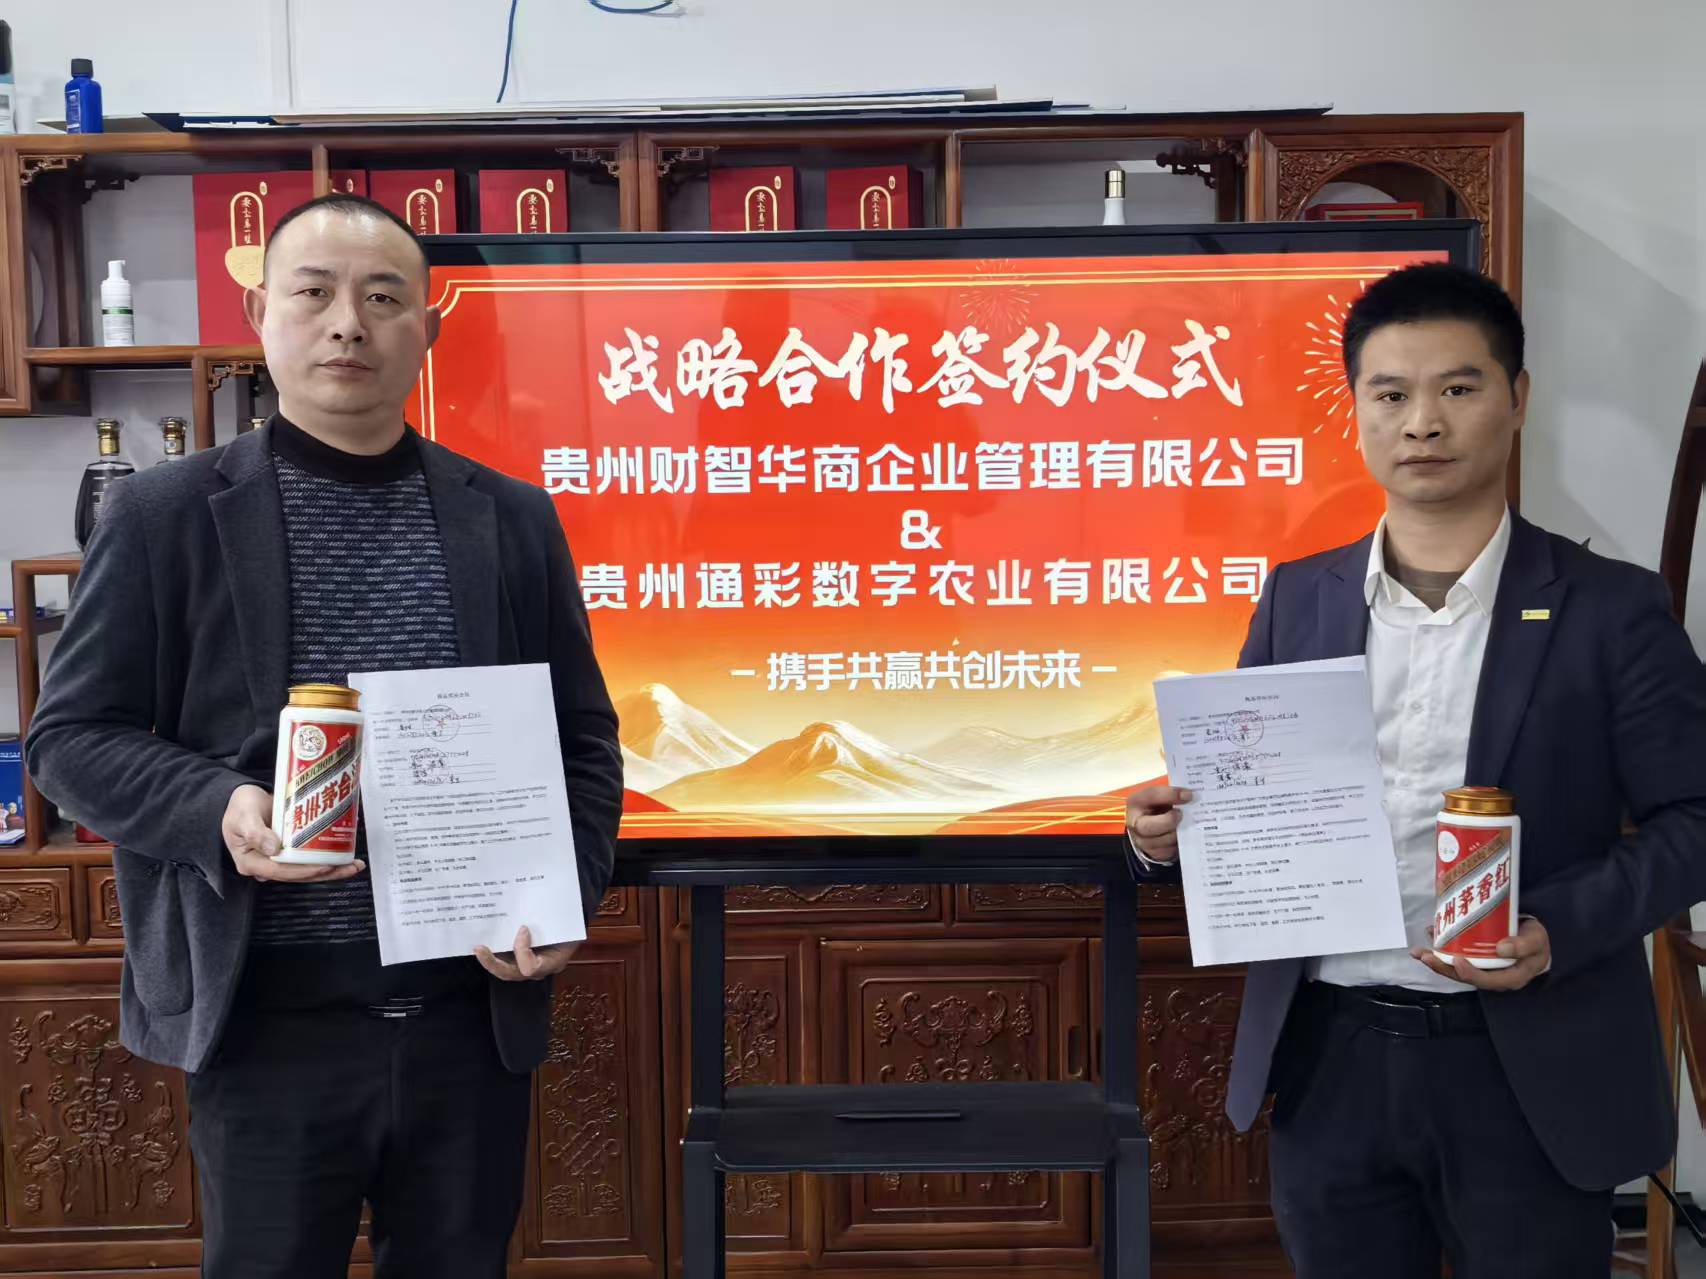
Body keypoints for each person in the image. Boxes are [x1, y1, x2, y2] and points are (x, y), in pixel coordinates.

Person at [26, 193, 623, 1279]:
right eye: (315, 293)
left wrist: (563, 894)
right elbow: (69, 738)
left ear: (427, 330)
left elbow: (580, 737)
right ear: (262, 314)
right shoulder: (163, 514)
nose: (349, 322)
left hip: (466, 1016)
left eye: (384, 298)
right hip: (266, 1022)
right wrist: (219, 807)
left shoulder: (510, 518)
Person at [1126, 262, 1706, 1278]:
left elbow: (1693, 820)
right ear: (1357, 412)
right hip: (1332, 1055)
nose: (1422, 422)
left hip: (1530, 1060)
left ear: (1516, 398)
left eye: (1457, 388)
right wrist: (1164, 839)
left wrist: (1555, 930)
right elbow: (1248, 804)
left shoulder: (1609, 609)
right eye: (1390, 394)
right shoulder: (1298, 599)